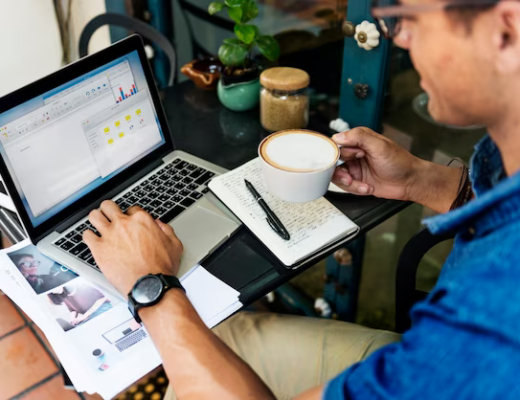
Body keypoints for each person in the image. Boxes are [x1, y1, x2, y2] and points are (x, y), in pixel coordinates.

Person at [82, 0, 520, 397]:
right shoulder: (504, 164)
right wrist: (424, 182)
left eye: (408, 19)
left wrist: (151, 288)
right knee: (217, 336)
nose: (401, 40)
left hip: (418, 368)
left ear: (507, 29)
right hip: (420, 366)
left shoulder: (494, 314)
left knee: (189, 362)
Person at [47, 283, 112, 328]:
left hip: (102, 308)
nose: (54, 291)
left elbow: (102, 298)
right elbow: (72, 310)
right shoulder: (64, 295)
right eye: (52, 292)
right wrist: (72, 321)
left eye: (53, 289)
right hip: (88, 315)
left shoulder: (80, 286)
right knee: (78, 327)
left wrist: (84, 316)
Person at [11, 253, 77, 295]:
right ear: (18, 267)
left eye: (34, 262)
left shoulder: (43, 277)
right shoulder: (21, 287)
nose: (34, 265)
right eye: (27, 263)